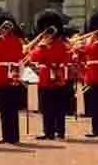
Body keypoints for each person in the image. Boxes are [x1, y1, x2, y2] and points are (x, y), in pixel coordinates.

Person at [0, 9, 25, 145]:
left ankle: (7, 136)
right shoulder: (18, 41)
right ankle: (14, 136)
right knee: (12, 108)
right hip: (13, 74)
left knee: (4, 109)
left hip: (2, 74)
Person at [28, 9, 71, 140]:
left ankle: (60, 131)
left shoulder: (61, 45)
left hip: (57, 77)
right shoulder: (41, 45)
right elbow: (32, 58)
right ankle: (49, 131)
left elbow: (65, 58)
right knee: (46, 107)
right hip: (45, 78)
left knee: (59, 107)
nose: (47, 35)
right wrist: (42, 46)